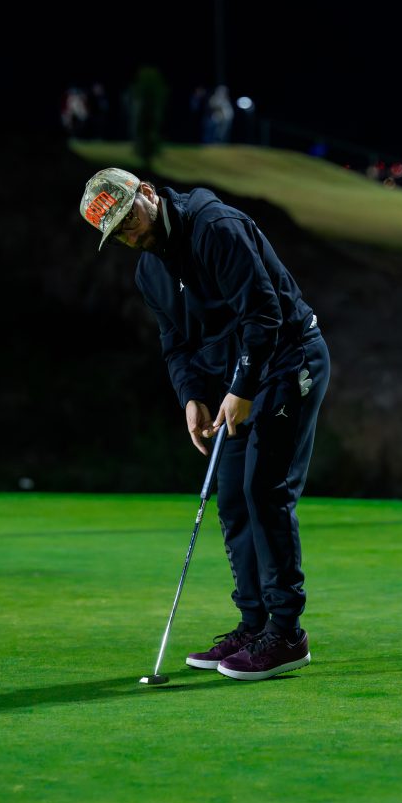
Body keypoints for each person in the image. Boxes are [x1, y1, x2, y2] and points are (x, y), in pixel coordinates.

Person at [79, 168, 330, 681]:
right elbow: (175, 343)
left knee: (264, 489)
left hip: (289, 361)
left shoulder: (214, 227)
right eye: (117, 231)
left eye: (129, 217)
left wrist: (242, 389)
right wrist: (191, 397)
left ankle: (286, 634)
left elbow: (264, 313)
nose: (129, 232)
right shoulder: (149, 272)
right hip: (236, 380)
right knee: (233, 497)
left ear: (147, 193)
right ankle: (254, 625)